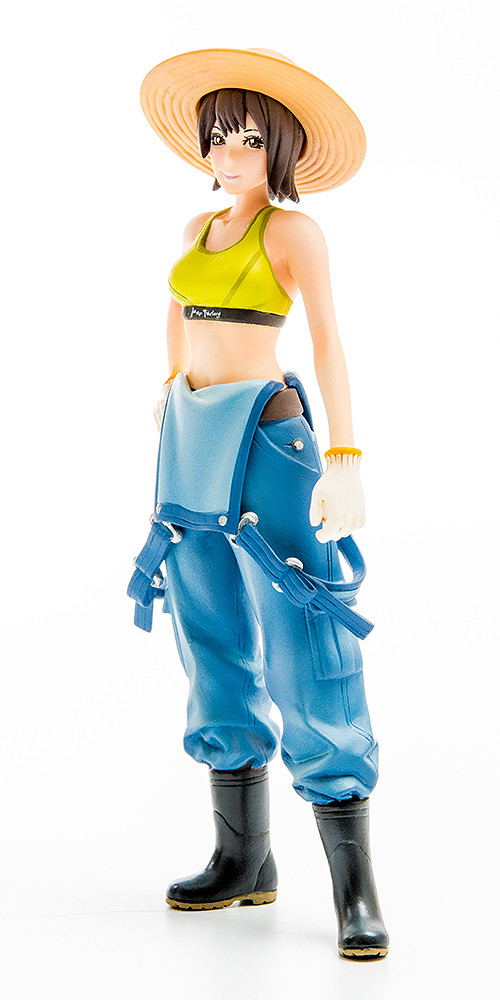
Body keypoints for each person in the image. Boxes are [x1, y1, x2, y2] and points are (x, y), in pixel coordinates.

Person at [128, 47, 389, 961]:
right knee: (207, 635)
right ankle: (243, 858)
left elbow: (328, 338)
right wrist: (169, 384)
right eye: (218, 138)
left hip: (269, 443)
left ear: (279, 148)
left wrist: (344, 456)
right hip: (189, 439)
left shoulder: (293, 232)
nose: (229, 154)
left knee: (304, 643)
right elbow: (178, 309)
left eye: (246, 139)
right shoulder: (199, 225)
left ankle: (355, 888)